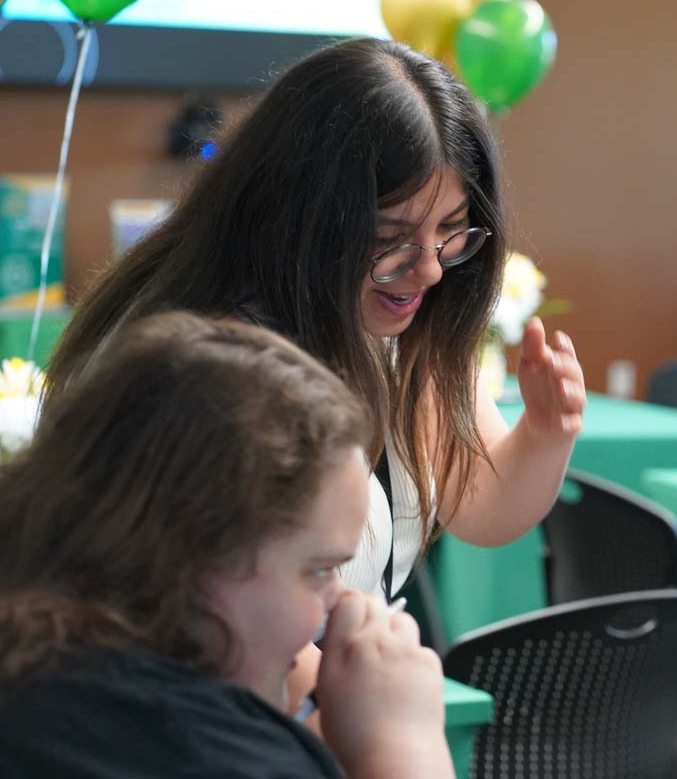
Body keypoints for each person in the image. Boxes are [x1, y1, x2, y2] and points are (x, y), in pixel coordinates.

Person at [45, 37, 585, 698]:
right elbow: (226, 631)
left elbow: (482, 504)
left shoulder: (401, 326)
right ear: (299, 216)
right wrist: (371, 719)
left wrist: (546, 434)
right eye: (389, 238)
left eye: (452, 230)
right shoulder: (206, 367)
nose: (429, 269)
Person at [0, 312, 452, 778]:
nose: (341, 605)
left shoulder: (42, 678)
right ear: (189, 554)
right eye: (318, 572)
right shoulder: (195, 747)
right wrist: (402, 745)